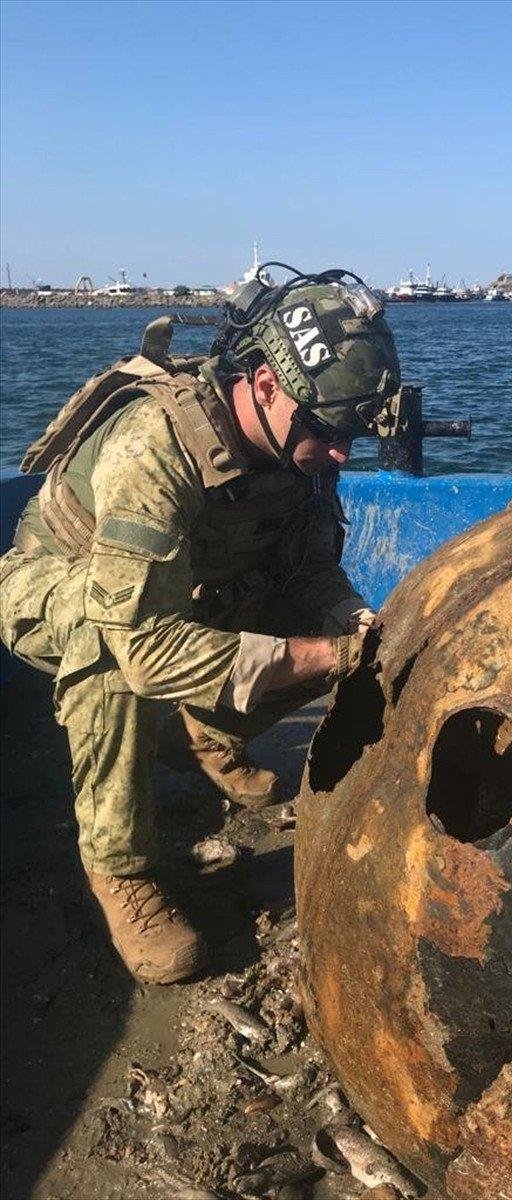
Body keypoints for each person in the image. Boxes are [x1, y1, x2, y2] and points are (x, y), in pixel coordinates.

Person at [0, 266, 401, 985]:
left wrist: (356, 622)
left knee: (320, 632)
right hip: (53, 584)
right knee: (107, 644)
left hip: (174, 585)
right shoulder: (154, 444)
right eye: (332, 433)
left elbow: (309, 571)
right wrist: (323, 657)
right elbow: (142, 646)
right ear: (268, 387)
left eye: (355, 432)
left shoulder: (300, 445)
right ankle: (120, 868)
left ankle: (200, 740)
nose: (343, 454)